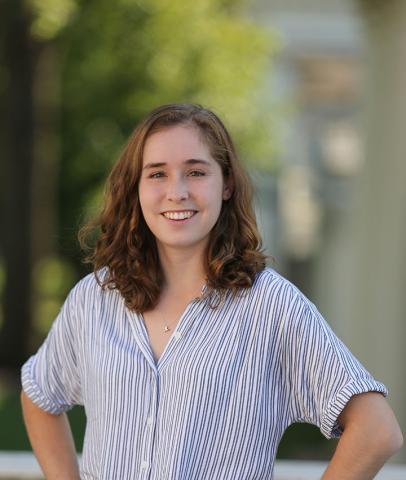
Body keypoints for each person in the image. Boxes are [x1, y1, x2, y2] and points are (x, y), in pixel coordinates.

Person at [21, 103, 403, 479]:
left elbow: (377, 431)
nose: (177, 192)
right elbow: (39, 393)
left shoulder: (270, 305)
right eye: (157, 174)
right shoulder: (96, 298)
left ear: (227, 184)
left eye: (196, 172)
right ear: (135, 188)